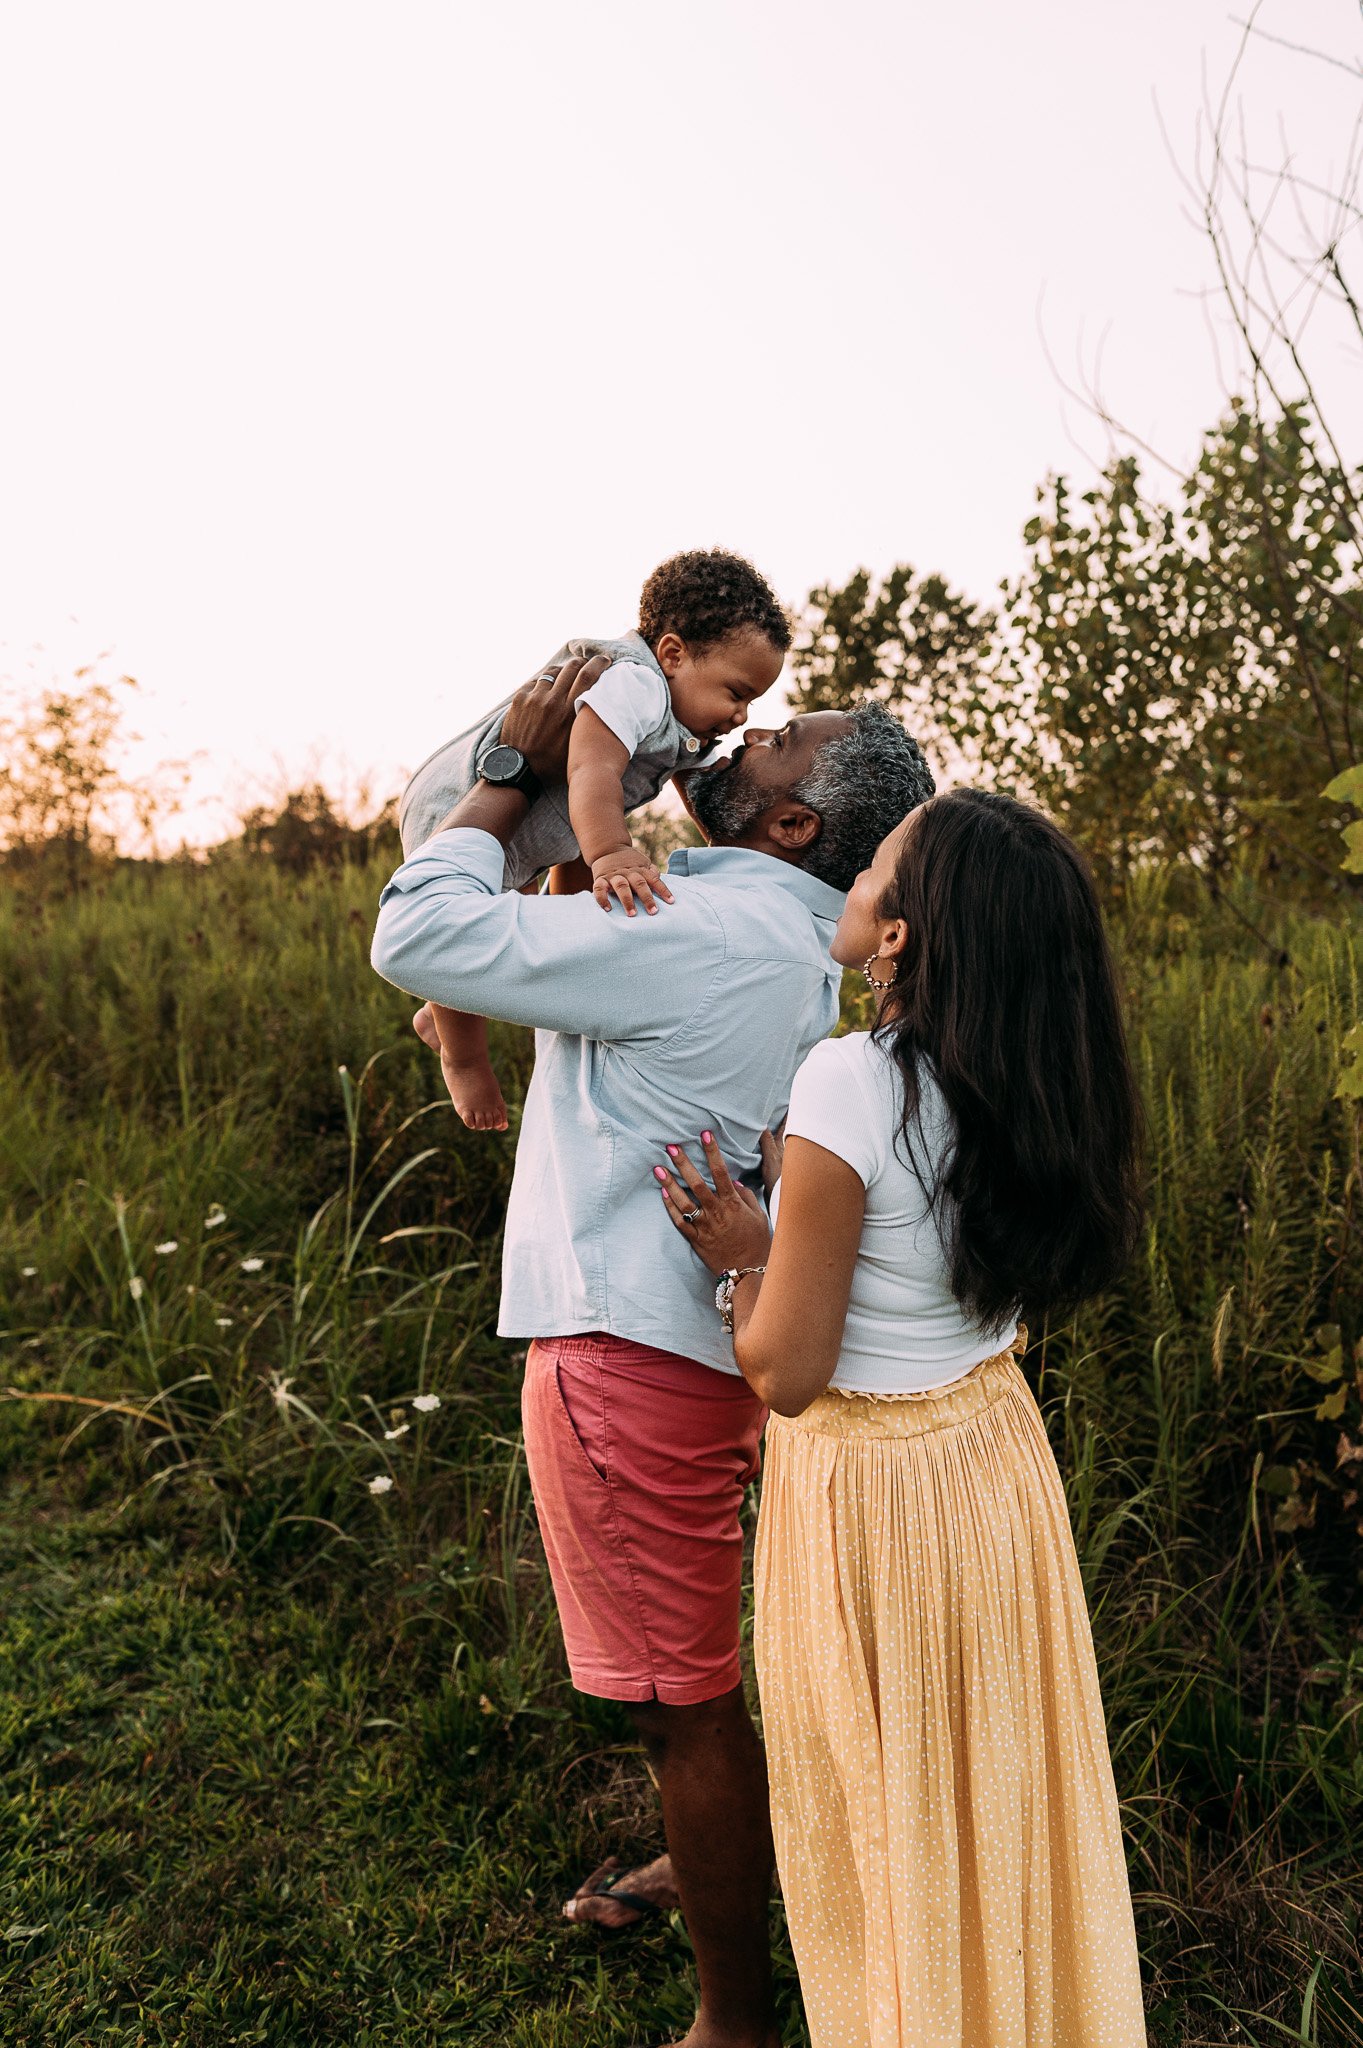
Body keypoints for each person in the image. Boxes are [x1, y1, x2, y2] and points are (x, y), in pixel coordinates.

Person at [370, 659, 935, 2048]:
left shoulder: (692, 923)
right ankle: (707, 1864)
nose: (745, 732)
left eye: (778, 740)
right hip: (695, 1346)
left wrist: (508, 773)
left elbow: (416, 936)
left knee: (675, 1703)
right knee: (702, 1670)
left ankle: (729, 2021)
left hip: (622, 1352)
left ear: (793, 824)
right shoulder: (784, 931)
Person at [654, 790, 1148, 2048]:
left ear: (900, 936)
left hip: (872, 1504)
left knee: (884, 1820)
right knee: (1000, 1809)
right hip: (993, 1462)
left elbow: (786, 1372)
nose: (852, 883)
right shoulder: (1042, 1074)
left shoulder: (848, 1078)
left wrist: (743, 1255)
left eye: (871, 868)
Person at [397, 549, 790, 1131]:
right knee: (480, 920)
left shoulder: (684, 717)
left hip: (546, 821)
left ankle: (526, 969)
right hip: (461, 804)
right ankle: (461, 1050)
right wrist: (612, 851)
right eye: (736, 692)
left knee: (575, 895)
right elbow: (592, 772)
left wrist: (724, 846)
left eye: (752, 701)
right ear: (673, 654)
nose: (740, 714)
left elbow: (695, 786)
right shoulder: (633, 683)